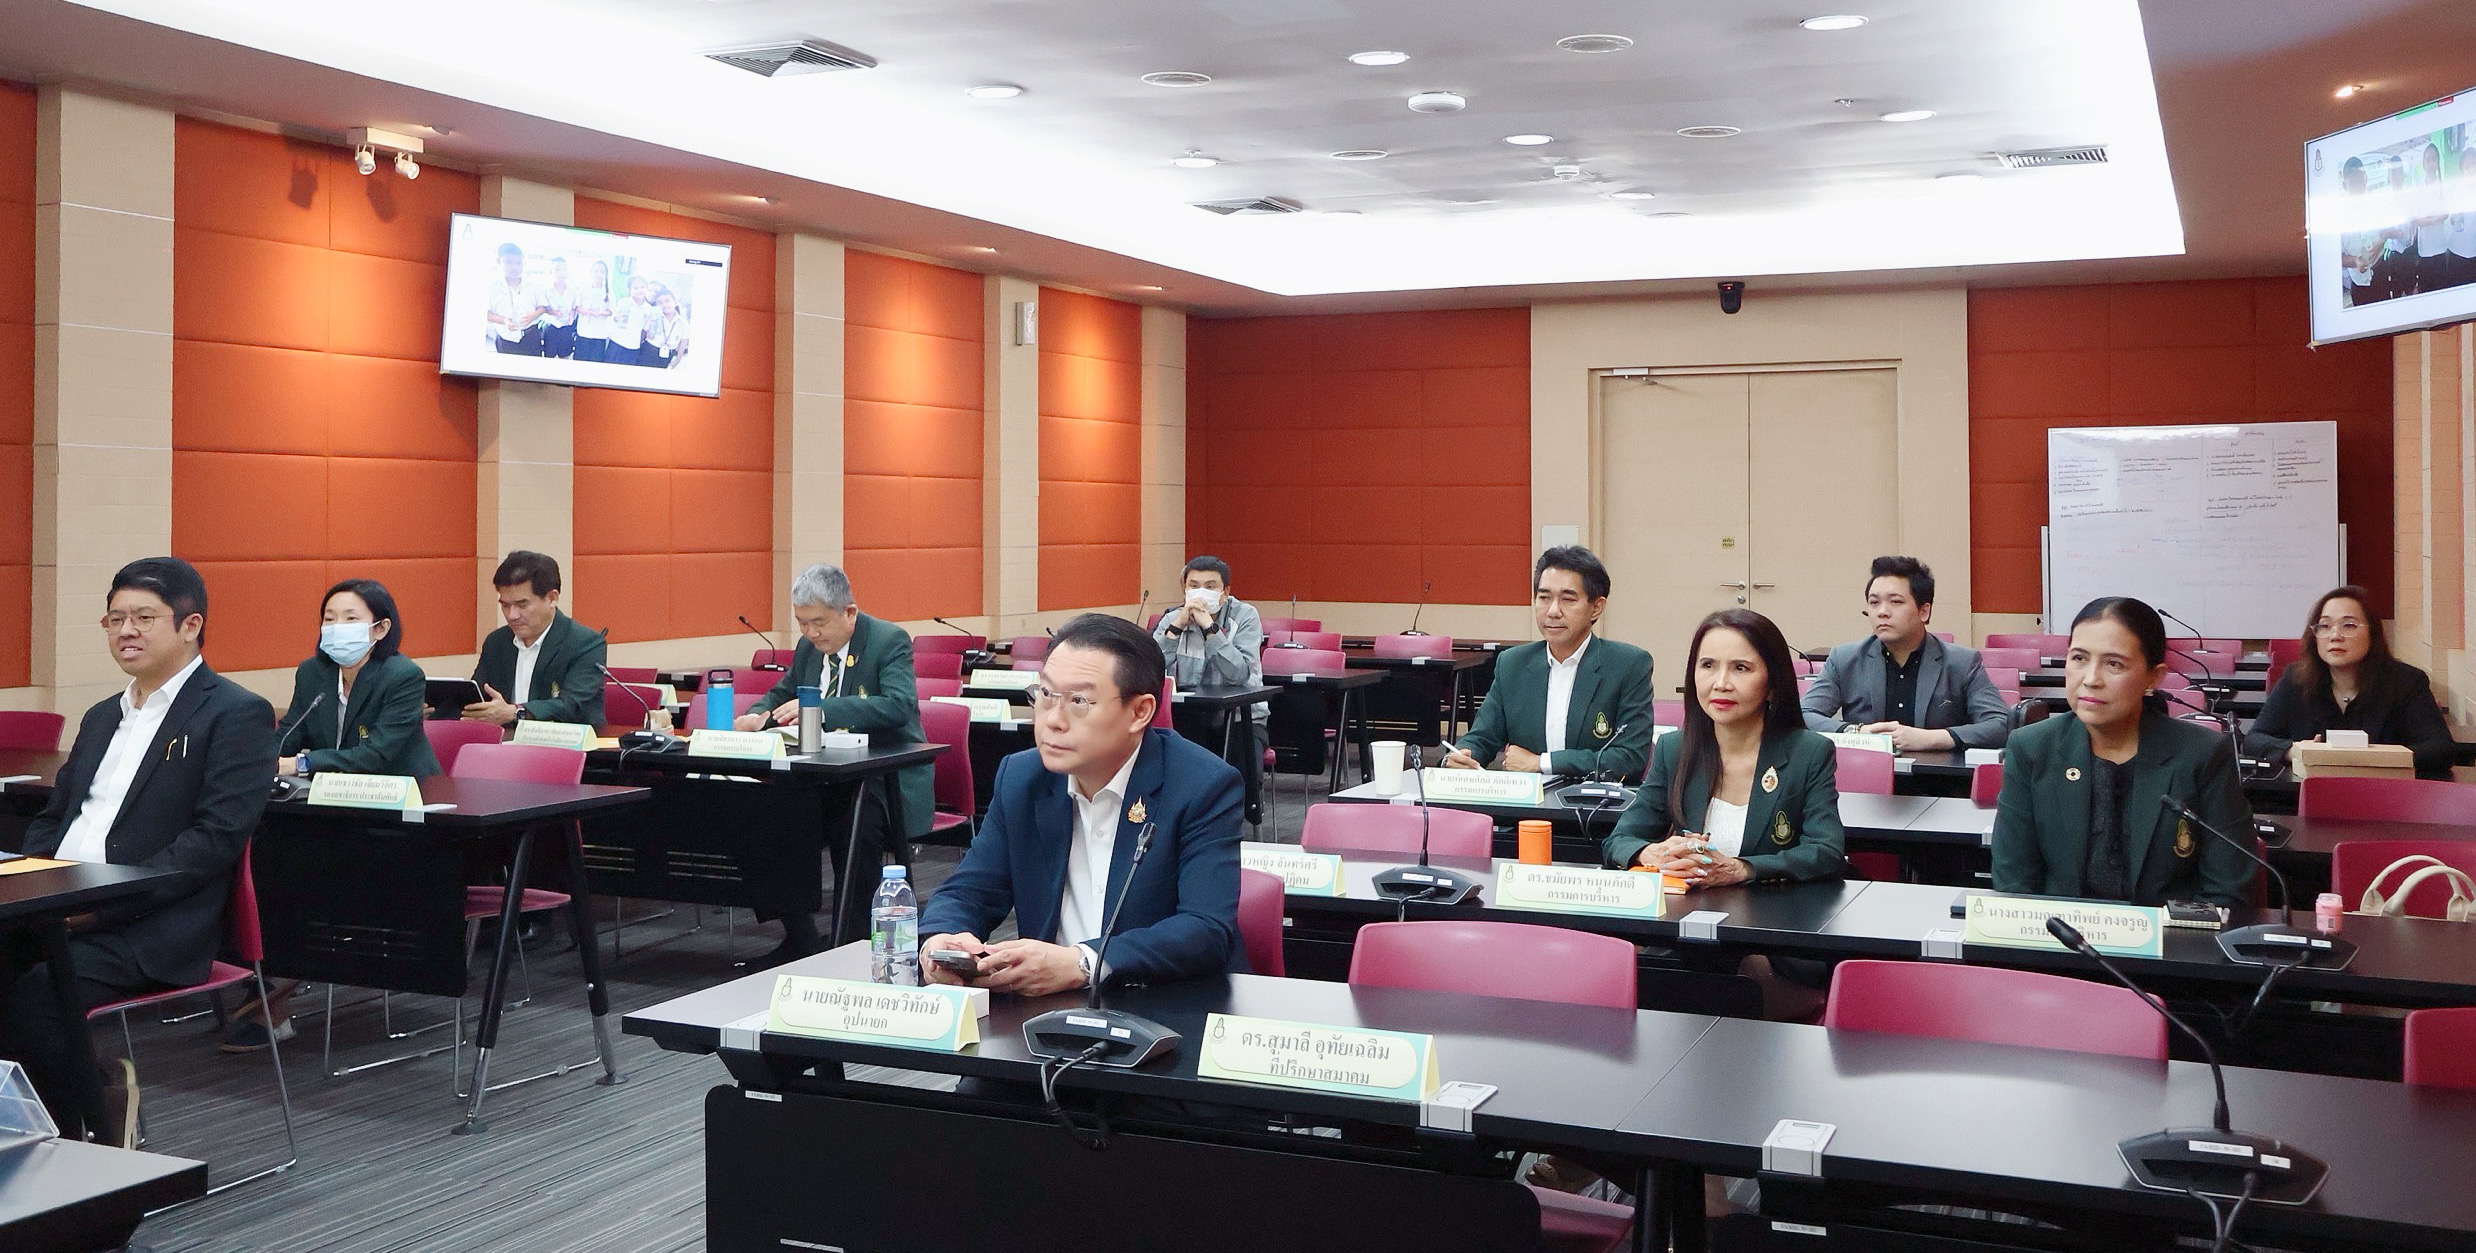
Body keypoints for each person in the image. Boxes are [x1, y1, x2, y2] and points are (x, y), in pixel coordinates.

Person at [0, 558, 276, 1144]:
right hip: (56, 905)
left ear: (190, 625)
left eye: (144, 618)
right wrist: (34, 881)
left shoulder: (235, 713)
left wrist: (97, 904)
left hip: (148, 923)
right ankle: (31, 1125)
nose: (126, 631)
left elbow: (212, 841)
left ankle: (80, 1136)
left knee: (36, 1002)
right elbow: (53, 818)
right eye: (115, 618)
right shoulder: (103, 715)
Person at [922, 613, 1244, 994]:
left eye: (1078, 701)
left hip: (1162, 1002)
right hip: (1047, 1007)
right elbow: (968, 892)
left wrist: (1083, 962)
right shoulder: (1023, 778)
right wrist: (943, 939)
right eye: (1045, 695)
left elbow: (1205, 929)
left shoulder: (1201, 785)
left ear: (1139, 712)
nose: (1053, 720)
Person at [226, 578, 442, 1052]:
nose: (336, 627)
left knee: (309, 873)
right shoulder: (313, 673)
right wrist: (263, 756)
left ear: (380, 628)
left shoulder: (403, 676)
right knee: (266, 860)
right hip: (328, 806)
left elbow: (377, 755)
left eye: (350, 618)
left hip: (396, 814)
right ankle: (270, 979)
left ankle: (277, 987)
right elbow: (290, 732)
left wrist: (302, 764)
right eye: (329, 618)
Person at [1990, 597, 2255, 910]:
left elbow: (2227, 890)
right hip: (2059, 934)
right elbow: (2014, 883)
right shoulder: (2031, 748)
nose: (2091, 679)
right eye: (2079, 658)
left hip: (2170, 937)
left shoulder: (2204, 754)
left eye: (2113, 664)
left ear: (2154, 677)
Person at [731, 563, 932, 964]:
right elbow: (783, 692)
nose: (811, 632)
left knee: (853, 824)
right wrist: (756, 714)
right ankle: (801, 936)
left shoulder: (888, 640)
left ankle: (853, 943)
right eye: (802, 623)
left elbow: (898, 705)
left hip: (882, 780)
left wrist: (822, 710)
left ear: (849, 612)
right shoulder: (809, 648)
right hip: (822, 777)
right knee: (763, 813)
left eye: (819, 622)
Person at [1604, 608, 1845, 886]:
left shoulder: (1809, 753)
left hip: (1773, 907)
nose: (1721, 684)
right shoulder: (1674, 749)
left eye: (1740, 668)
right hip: (1688, 907)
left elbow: (1826, 852)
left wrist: (1742, 869)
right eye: (1708, 665)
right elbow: (1620, 840)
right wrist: (1652, 854)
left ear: (1772, 683)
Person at [1445, 546, 1655, 781]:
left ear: (1596, 607)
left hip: (1594, 800)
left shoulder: (1628, 665)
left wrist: (1541, 763)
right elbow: (1482, 737)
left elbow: (1630, 758)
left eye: (1568, 599)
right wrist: (1461, 756)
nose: (1553, 611)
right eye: (1544, 598)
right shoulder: (1513, 664)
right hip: (1526, 801)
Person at [1800, 555, 2010, 752]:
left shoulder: (1962, 663)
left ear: (1924, 611)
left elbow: (2000, 724)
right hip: (1866, 773)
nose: (1882, 612)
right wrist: (1855, 732)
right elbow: (1804, 714)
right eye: (1874, 603)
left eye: (1896, 602)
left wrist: (1932, 738)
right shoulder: (1845, 659)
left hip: (1937, 774)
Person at [2247, 586, 2454, 780]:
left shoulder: (2407, 682)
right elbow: (2254, 739)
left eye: (2349, 625)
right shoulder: (2295, 680)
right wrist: (2295, 751)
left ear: (2372, 633)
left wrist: (2374, 758)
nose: (2335, 636)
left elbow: (2441, 749)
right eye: (2325, 626)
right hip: (2312, 795)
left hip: (2387, 795)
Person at [1151, 555, 1267, 818]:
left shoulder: (1245, 616)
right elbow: (1149, 666)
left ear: (1225, 592)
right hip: (1188, 715)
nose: (1201, 593)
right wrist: (1176, 627)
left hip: (1241, 718)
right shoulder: (1172, 618)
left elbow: (1238, 674)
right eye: (1194, 586)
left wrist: (1209, 628)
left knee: (1238, 779)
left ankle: (1237, 824)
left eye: (1210, 586)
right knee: (1173, 771)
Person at [461, 550, 606, 726]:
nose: (512, 615)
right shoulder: (497, 642)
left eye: (522, 605)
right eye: (505, 605)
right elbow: (477, 697)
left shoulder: (585, 643)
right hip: (505, 740)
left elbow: (571, 705)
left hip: (565, 740)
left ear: (552, 598)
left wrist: (516, 712)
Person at [484, 241, 545, 355]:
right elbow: (486, 313)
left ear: (524, 262)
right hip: (505, 340)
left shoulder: (533, 285)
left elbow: (542, 307)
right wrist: (504, 321)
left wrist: (532, 316)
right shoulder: (492, 286)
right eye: (508, 262)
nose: (514, 267)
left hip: (531, 337)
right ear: (499, 261)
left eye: (518, 262)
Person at [538, 256, 580, 360]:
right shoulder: (545, 290)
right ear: (551, 271)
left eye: (564, 270)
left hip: (566, 328)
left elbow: (575, 308)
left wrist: (572, 315)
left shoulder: (573, 291)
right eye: (557, 269)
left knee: (565, 357)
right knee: (549, 357)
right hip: (550, 327)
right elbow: (542, 308)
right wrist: (552, 312)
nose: (561, 273)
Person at [573, 258, 615, 363]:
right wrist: (589, 312)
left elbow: (611, 311)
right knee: (580, 361)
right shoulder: (583, 289)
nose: (599, 274)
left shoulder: (610, 292)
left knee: (595, 362)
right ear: (591, 273)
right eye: (596, 271)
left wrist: (601, 313)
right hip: (584, 332)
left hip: (600, 334)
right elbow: (577, 307)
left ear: (606, 275)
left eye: (602, 272)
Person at [605, 271, 647, 366]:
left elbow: (644, 329)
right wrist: (615, 319)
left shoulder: (648, 308)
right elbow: (613, 320)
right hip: (617, 343)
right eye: (635, 288)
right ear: (630, 290)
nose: (640, 290)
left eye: (643, 287)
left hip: (633, 347)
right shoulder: (623, 302)